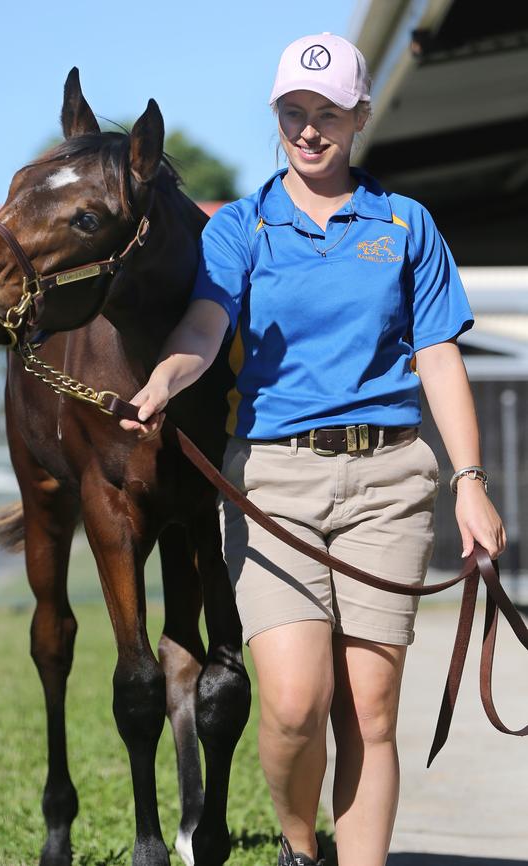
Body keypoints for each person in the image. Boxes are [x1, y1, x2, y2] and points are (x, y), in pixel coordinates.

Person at [120, 32, 506, 866]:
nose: (308, 130)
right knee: (295, 704)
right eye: (293, 113)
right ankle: (303, 846)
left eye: (327, 114)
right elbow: (203, 322)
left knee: (370, 709)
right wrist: (161, 383)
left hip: (390, 480)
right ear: (277, 116)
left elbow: (438, 355)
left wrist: (469, 480)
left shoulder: (407, 225)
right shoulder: (243, 227)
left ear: (360, 116)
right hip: (275, 483)